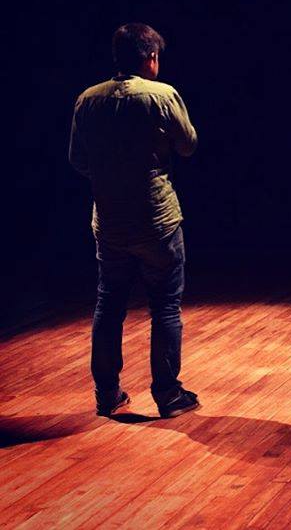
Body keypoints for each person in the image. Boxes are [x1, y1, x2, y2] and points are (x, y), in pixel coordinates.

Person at [68, 22, 200, 418]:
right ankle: (168, 394)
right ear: (151, 57)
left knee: (109, 303)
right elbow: (188, 145)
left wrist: (111, 177)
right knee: (165, 306)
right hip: (157, 219)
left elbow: (77, 160)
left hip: (110, 222)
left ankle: (107, 394)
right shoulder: (162, 95)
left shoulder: (87, 100)